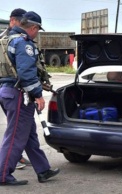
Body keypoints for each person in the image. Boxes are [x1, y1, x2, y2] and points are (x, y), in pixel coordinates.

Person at [0, 11, 60, 186]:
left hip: (8, 91)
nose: (37, 33)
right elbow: (26, 73)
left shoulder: (6, 41)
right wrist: (38, 95)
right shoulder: (23, 43)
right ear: (33, 27)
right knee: (16, 135)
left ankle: (43, 169)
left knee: (28, 134)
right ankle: (3, 174)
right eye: (38, 30)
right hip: (19, 93)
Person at [0, 8, 31, 170]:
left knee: (22, 128)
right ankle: (8, 165)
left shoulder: (7, 37)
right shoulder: (12, 39)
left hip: (6, 88)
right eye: (20, 21)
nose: (23, 24)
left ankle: (19, 158)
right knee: (15, 129)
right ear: (12, 20)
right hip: (10, 88)